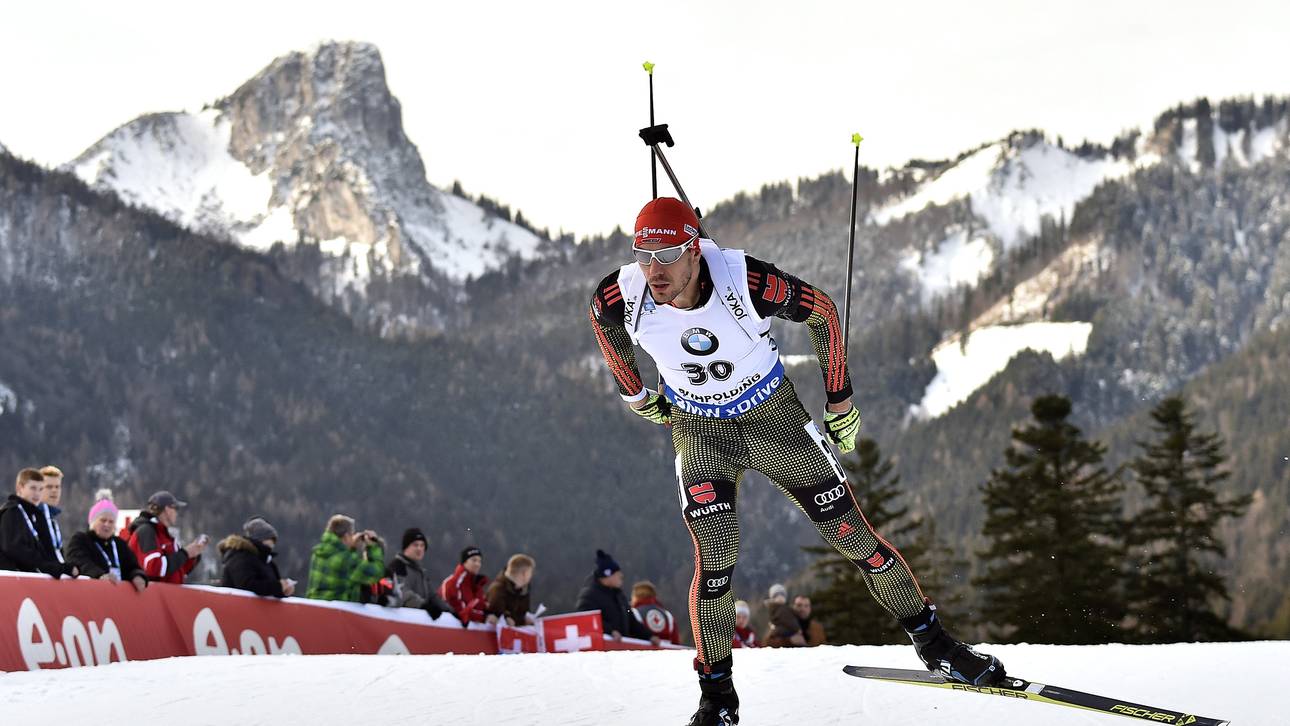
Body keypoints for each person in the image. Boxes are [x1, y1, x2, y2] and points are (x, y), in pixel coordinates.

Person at [589, 198, 1004, 724]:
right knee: (715, 564)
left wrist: (840, 401)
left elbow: (823, 312)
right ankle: (717, 696)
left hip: (771, 418)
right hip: (697, 430)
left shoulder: (747, 281)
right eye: (644, 255)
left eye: (668, 254)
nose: (655, 270)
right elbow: (601, 323)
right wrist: (636, 394)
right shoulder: (622, 292)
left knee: (853, 537)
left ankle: (937, 645)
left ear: (695, 249)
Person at [0, 468, 77, 577]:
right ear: (20, 488)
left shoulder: (33, 515)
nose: (37, 494)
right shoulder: (12, 512)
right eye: (33, 488)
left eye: (41, 489)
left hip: (25, 577)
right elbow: (14, 548)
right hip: (12, 578)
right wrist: (49, 567)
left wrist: (59, 567)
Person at [64, 489, 146, 592]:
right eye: (103, 520)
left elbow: (132, 565)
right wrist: (99, 575)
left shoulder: (119, 544)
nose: (107, 525)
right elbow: (79, 561)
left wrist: (137, 575)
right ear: (93, 522)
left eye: (111, 522)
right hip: (91, 593)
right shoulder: (81, 539)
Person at [574, 549, 659, 645]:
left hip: (621, 649)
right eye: (617, 574)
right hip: (602, 653)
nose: (621, 576)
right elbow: (586, 620)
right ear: (607, 575)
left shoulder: (620, 597)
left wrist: (649, 636)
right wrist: (610, 631)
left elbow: (631, 620)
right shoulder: (589, 596)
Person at [125, 490, 205, 584]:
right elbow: (154, 568)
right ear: (167, 509)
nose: (177, 513)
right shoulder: (146, 531)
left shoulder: (164, 535)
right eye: (176, 509)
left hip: (166, 596)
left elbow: (178, 570)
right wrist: (185, 553)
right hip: (151, 596)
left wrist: (193, 554)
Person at [305, 515, 384, 602]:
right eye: (352, 534)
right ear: (346, 536)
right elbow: (376, 573)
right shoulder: (345, 560)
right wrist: (374, 547)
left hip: (316, 609)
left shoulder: (319, 553)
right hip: (336, 613)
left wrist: (351, 549)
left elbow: (343, 577)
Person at [387, 528, 456, 621]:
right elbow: (402, 592)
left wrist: (451, 611)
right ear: (406, 547)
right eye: (415, 545)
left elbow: (433, 596)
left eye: (422, 545)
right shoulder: (398, 566)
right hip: (403, 621)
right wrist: (424, 605)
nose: (419, 548)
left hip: (418, 621)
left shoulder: (420, 572)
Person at [218, 517, 293, 598]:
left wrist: (283, 591)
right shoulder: (240, 557)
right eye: (269, 539)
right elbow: (247, 585)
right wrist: (278, 586)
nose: (272, 544)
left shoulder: (267, 561)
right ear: (260, 539)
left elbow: (270, 588)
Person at [440, 546, 497, 625]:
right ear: (464, 562)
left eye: (479, 561)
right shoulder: (452, 583)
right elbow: (459, 612)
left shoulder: (477, 586)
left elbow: (481, 608)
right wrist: (484, 617)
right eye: (474, 560)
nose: (477, 564)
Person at [486, 553, 536, 626]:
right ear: (525, 573)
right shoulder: (497, 589)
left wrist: (525, 619)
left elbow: (523, 613)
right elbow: (496, 612)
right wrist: (506, 618)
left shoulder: (523, 590)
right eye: (530, 572)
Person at [37, 466, 66, 567]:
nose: (54, 490)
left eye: (57, 487)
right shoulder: (33, 517)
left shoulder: (52, 519)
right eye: (49, 487)